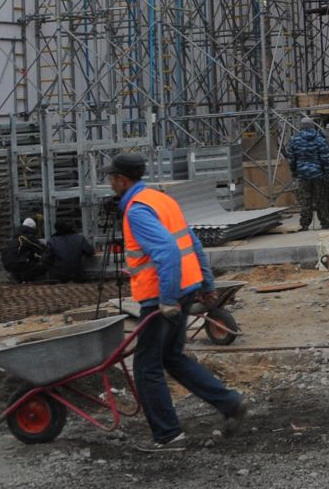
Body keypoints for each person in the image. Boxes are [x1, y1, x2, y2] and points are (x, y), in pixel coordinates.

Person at [104, 151, 249, 452]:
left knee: (146, 367)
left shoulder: (136, 209)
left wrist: (167, 299)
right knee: (172, 357)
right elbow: (191, 242)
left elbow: (168, 251)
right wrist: (206, 284)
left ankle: (168, 436)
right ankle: (230, 402)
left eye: (111, 178)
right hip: (183, 288)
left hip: (162, 297)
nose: (110, 183)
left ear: (122, 179)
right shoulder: (162, 200)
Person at [285, 116, 329, 231]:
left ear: (301, 127)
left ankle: (304, 224)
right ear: (313, 125)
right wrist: (327, 171)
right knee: (321, 198)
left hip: (303, 174)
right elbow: (326, 157)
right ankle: (324, 222)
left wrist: (294, 171)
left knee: (305, 200)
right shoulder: (319, 139)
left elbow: (292, 158)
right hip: (319, 174)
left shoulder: (295, 140)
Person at [1, 218, 50, 282]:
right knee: (42, 267)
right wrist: (49, 252)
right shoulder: (26, 237)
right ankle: (20, 277)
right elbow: (39, 248)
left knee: (31, 263)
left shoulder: (15, 237)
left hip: (7, 264)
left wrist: (36, 259)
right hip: (16, 263)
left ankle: (15, 275)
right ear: (32, 228)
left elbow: (27, 253)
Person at [45, 218, 94, 283]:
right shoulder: (79, 238)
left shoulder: (52, 241)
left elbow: (46, 259)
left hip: (58, 276)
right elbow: (90, 251)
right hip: (76, 275)